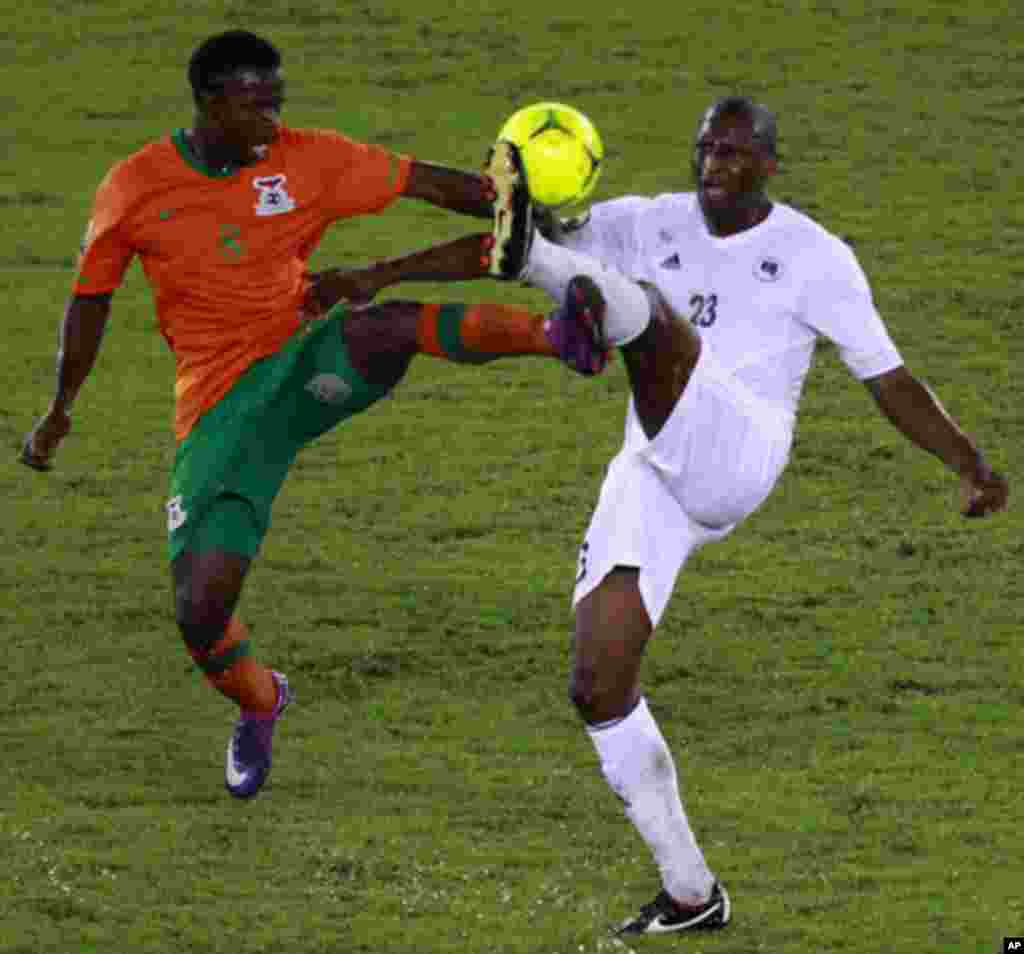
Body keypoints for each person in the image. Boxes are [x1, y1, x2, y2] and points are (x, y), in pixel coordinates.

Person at [19, 29, 608, 801]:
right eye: (253, 105)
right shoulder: (135, 188)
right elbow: (88, 303)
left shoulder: (310, 159)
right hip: (221, 407)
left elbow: (431, 184)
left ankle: (560, 337)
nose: (272, 121)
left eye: (277, 102)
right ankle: (263, 701)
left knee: (386, 325)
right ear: (208, 104)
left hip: (303, 355)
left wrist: (531, 207)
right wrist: (59, 413)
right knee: (200, 611)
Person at [478, 96, 1010, 934]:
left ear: (769, 161)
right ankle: (692, 894)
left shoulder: (814, 256)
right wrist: (375, 276)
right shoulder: (653, 221)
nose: (713, 168)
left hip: (740, 452)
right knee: (597, 683)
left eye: (732, 153)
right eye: (703, 151)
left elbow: (889, 379)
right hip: (652, 469)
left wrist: (968, 461)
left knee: (649, 320)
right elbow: (492, 223)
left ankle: (543, 274)